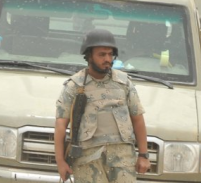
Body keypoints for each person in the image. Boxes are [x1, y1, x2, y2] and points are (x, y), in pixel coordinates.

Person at [55, 29, 150, 183]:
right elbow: (60, 125)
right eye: (101, 55)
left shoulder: (124, 83)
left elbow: (138, 119)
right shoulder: (75, 86)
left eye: (110, 54)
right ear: (89, 56)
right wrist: (60, 162)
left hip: (122, 160)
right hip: (88, 161)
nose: (107, 59)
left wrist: (143, 155)